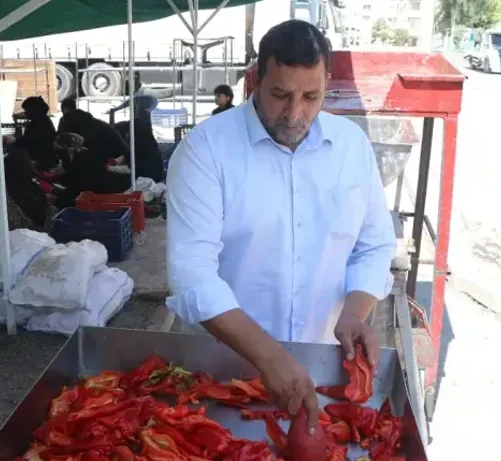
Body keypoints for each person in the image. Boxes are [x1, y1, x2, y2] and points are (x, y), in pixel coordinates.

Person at [166, 20, 397, 433]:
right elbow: (191, 274)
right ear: (255, 80)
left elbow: (373, 244)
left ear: (327, 82)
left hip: (323, 367)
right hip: (224, 370)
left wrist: (355, 312)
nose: (295, 113)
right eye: (280, 94)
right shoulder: (206, 150)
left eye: (311, 96)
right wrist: (268, 357)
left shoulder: (351, 146)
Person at [0, 147, 56, 231]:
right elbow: (36, 209)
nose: (31, 162)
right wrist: (45, 197)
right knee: (54, 210)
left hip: (5, 224)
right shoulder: (24, 182)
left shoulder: (3, 179)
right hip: (26, 226)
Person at [58, 97, 128, 167]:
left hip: (110, 156)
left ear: (64, 109)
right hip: (120, 150)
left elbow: (61, 144)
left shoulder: (67, 121)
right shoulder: (89, 119)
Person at [16, 96, 58, 171]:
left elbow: (27, 142)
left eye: (26, 110)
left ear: (33, 111)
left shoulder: (38, 124)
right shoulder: (45, 121)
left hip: (41, 162)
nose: (25, 113)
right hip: (47, 160)